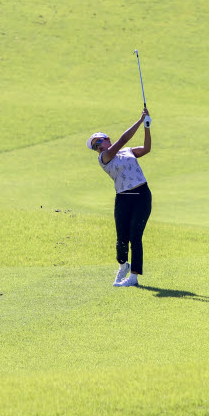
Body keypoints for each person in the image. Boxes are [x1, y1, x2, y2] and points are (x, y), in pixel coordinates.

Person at [88, 107, 151, 287]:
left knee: (135, 236)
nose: (97, 147)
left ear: (107, 139)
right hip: (123, 198)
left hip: (141, 195)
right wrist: (139, 120)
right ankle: (123, 266)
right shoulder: (104, 158)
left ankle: (133, 277)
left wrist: (146, 126)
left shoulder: (128, 151)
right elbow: (123, 140)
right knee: (122, 238)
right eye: (94, 146)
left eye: (98, 141)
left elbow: (147, 148)